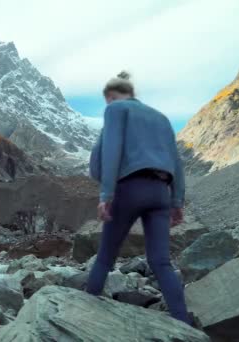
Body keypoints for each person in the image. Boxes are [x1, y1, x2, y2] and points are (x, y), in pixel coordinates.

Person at [86, 71, 190, 324]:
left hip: (129, 189)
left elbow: (110, 150)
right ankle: (184, 325)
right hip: (160, 193)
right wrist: (177, 201)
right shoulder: (162, 118)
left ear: (110, 97)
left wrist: (106, 193)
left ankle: (82, 318)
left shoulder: (115, 110)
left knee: (105, 257)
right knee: (161, 262)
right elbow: (176, 162)